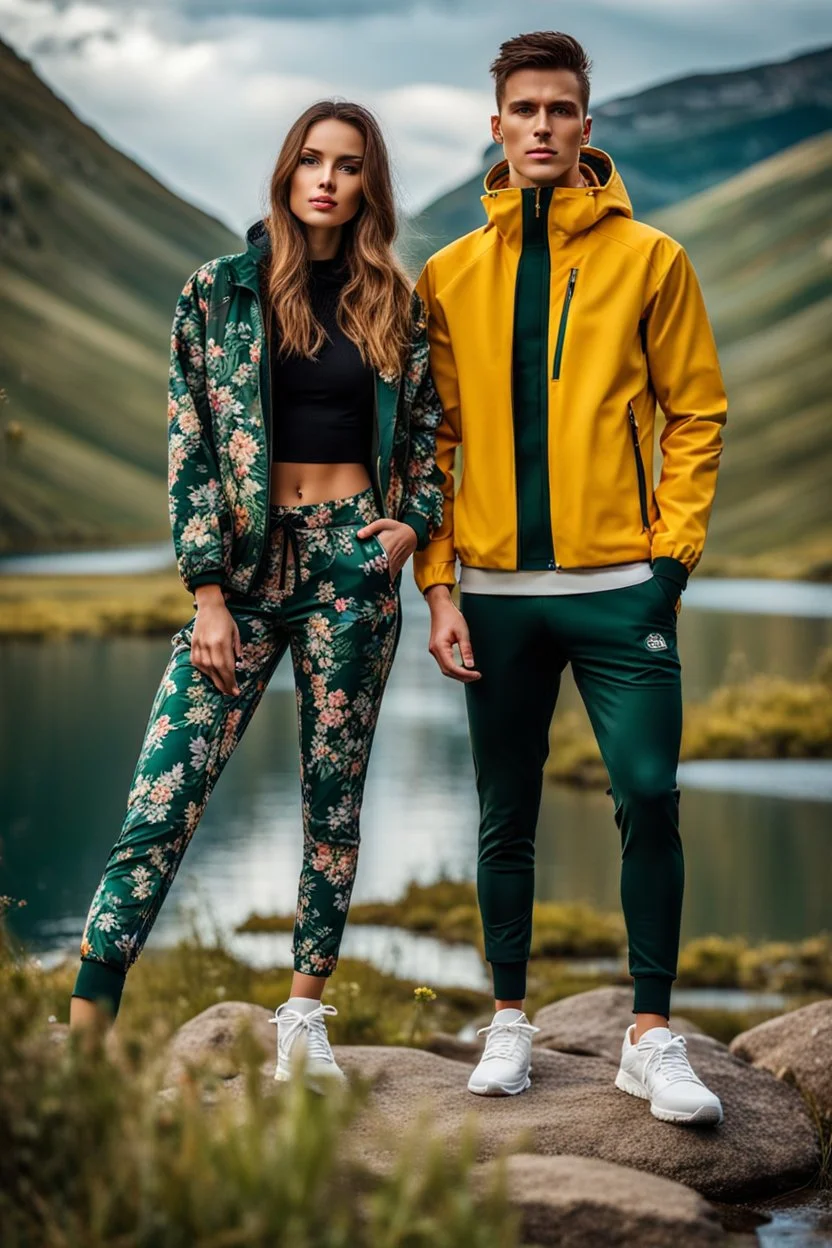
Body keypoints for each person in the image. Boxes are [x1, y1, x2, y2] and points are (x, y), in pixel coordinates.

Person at [70, 100, 444, 1090]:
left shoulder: (396, 306)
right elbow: (189, 444)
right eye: (311, 160)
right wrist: (205, 592)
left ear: (371, 186)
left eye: (348, 165)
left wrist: (414, 525)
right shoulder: (218, 294)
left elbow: (430, 436)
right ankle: (85, 1039)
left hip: (351, 569)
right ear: (285, 171)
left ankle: (303, 1021)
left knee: (333, 800)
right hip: (237, 574)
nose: (326, 178)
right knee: (164, 797)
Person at [415, 32, 727, 1123]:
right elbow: (433, 444)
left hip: (618, 589)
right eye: (522, 110)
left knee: (648, 795)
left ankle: (650, 1034)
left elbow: (695, 412)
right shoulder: (446, 276)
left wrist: (670, 556)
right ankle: (509, 1022)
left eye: (560, 110)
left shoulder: (653, 260)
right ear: (493, 128)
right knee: (505, 813)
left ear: (587, 128)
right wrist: (441, 588)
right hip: (493, 594)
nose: (541, 126)